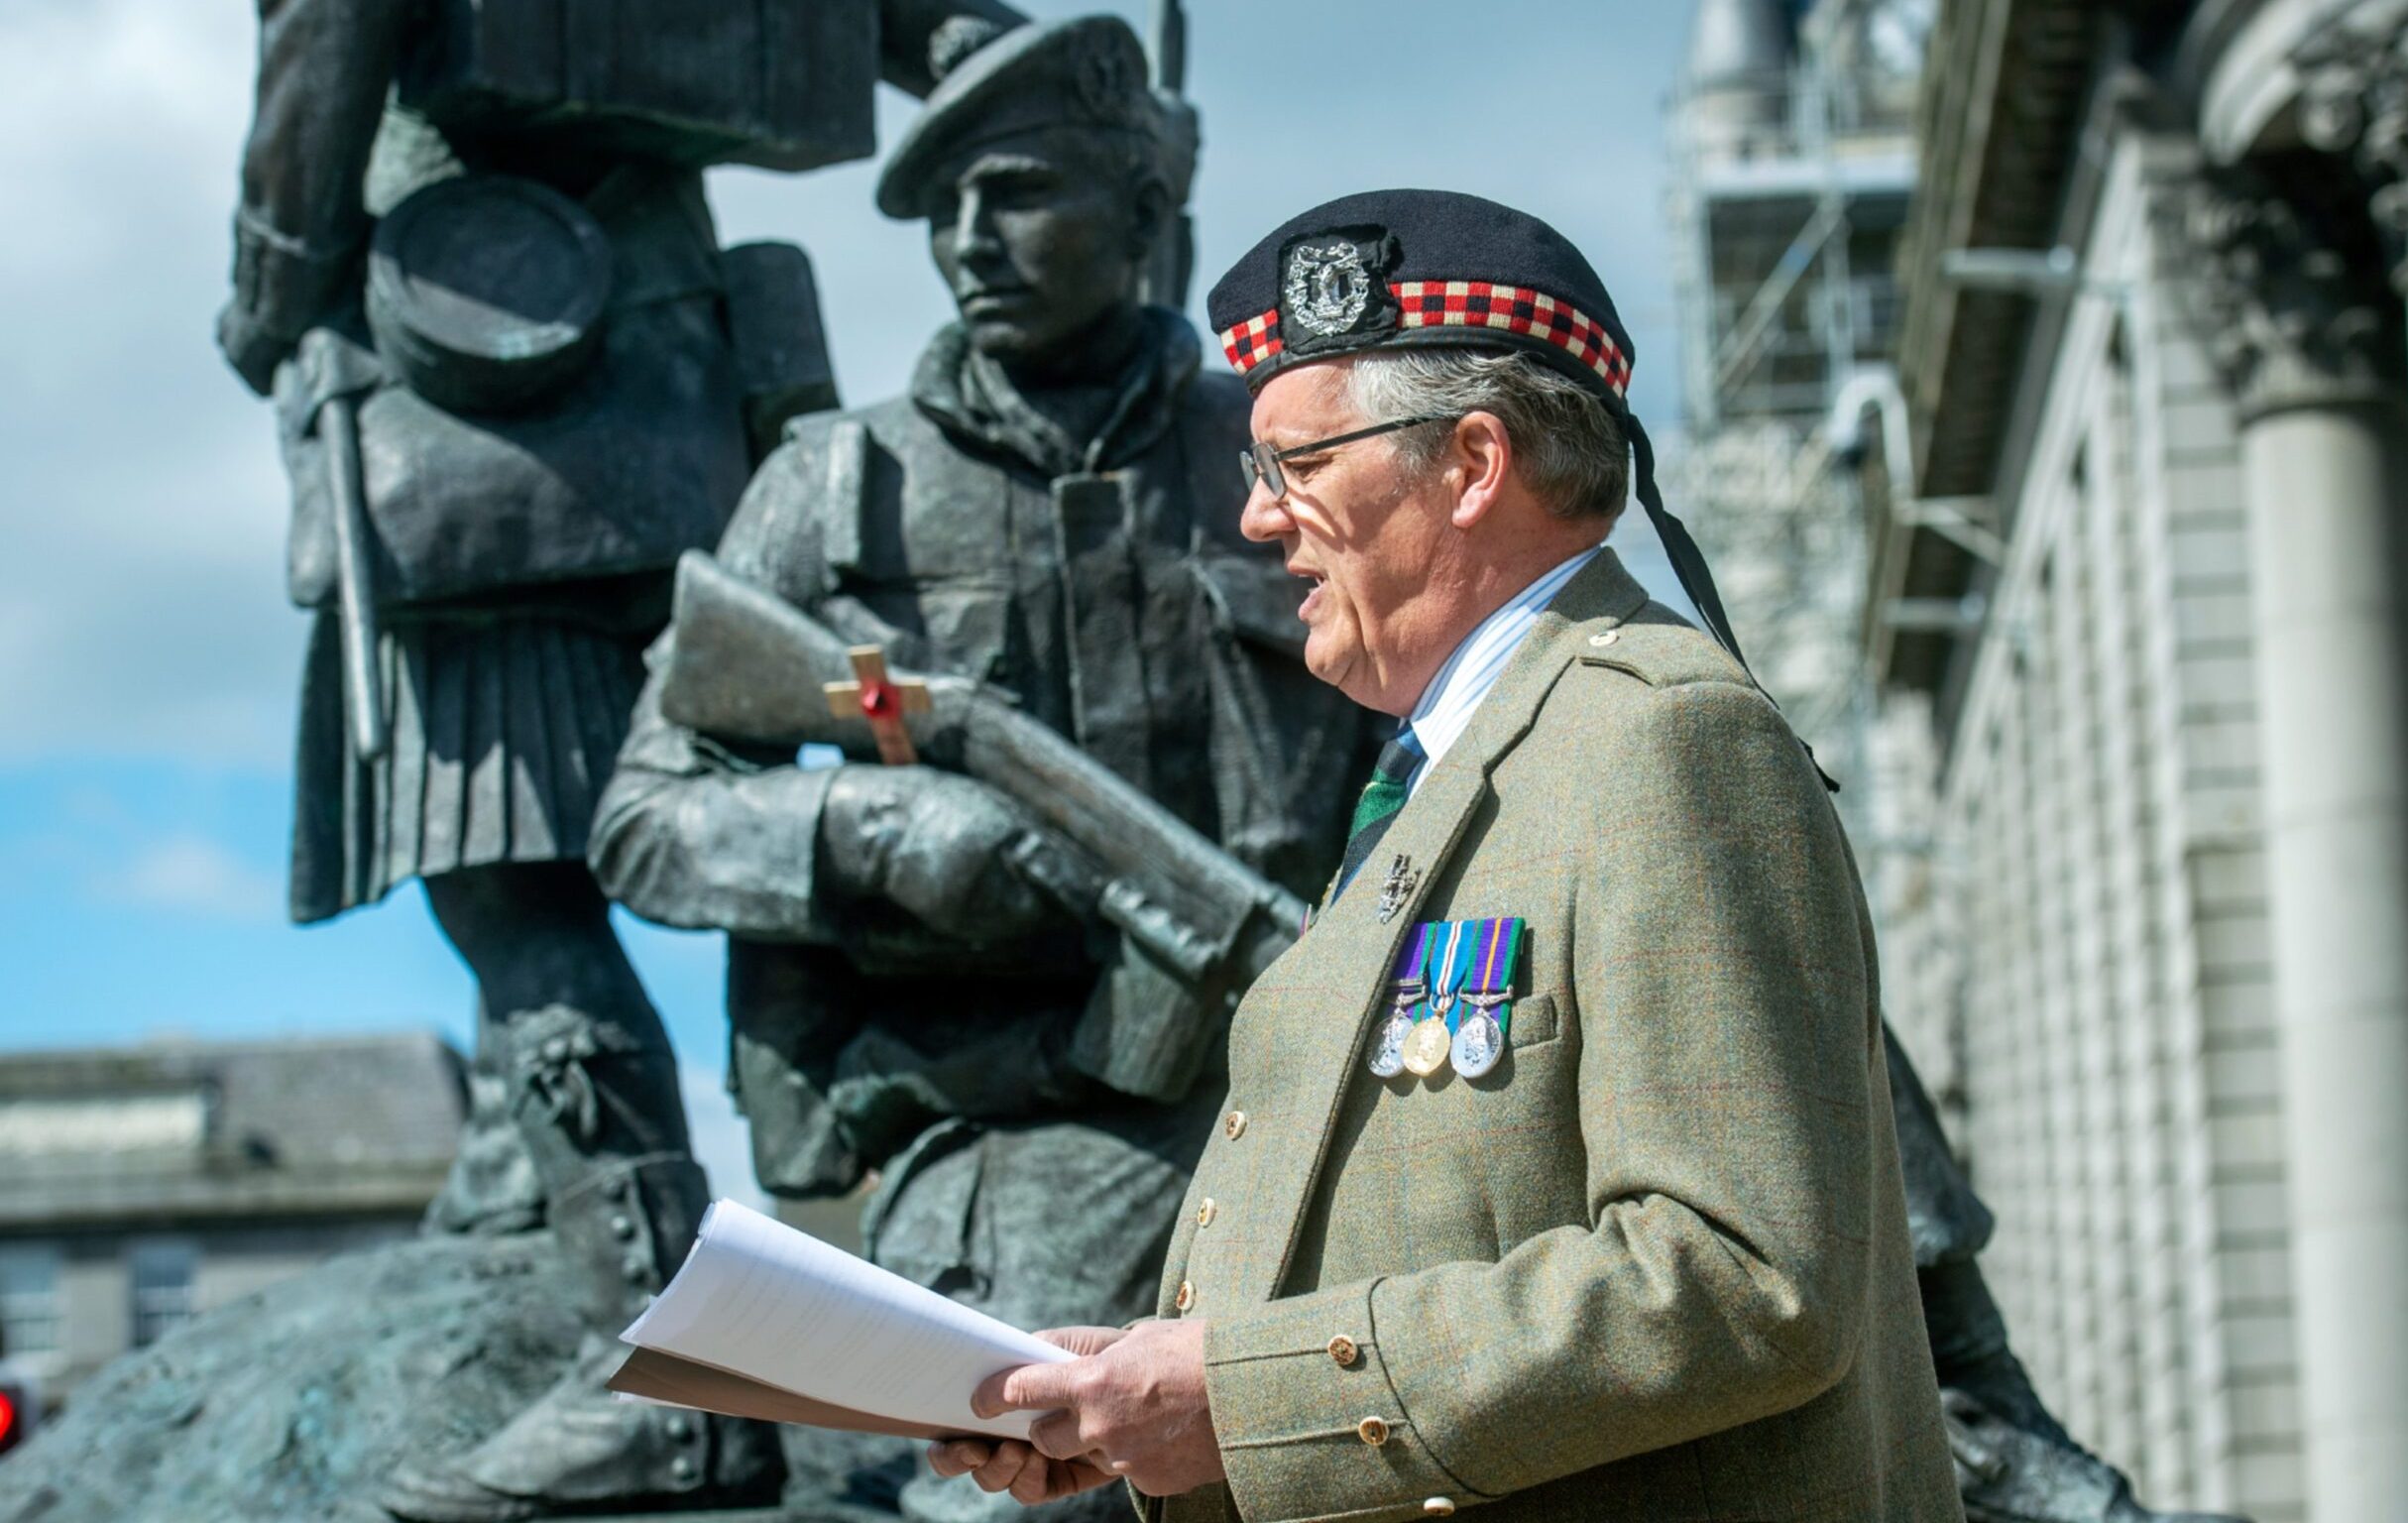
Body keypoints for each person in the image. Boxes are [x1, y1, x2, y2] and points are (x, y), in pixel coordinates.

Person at [927, 187, 1967, 1521]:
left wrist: (1240, 1401)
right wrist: (1136, 1401)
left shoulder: (1662, 740)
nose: (1255, 518)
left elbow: (1743, 1278)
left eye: (1293, 466)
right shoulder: (1449, 779)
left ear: (1472, 466)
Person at [216, 2, 1027, 1517]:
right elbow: (955, 31)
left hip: (470, 385)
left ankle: (658, 1373)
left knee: (505, 881)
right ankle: (544, 1177)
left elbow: (324, 46)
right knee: (662, 831)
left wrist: (266, 287)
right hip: (676, 378)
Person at [587, 20, 1380, 1522]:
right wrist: (872, 824)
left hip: (1330, 1074)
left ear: (1148, 210)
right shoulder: (833, 494)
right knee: (1040, 1484)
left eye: (1012, 190)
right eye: (942, 207)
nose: (967, 240)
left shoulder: (1294, 465)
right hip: (1005, 1119)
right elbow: (644, 820)